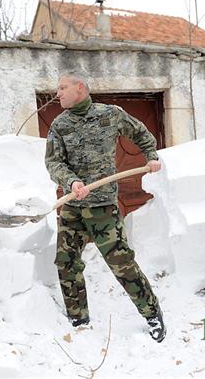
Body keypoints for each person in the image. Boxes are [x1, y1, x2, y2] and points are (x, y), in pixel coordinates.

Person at [44, 71, 166, 342]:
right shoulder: (59, 125)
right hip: (73, 207)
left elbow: (141, 133)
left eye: (63, 87)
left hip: (103, 207)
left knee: (121, 263)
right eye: (57, 88)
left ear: (80, 87)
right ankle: (78, 317)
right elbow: (54, 162)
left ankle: (152, 313)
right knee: (66, 263)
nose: (58, 93)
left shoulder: (110, 114)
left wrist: (151, 155)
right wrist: (71, 181)